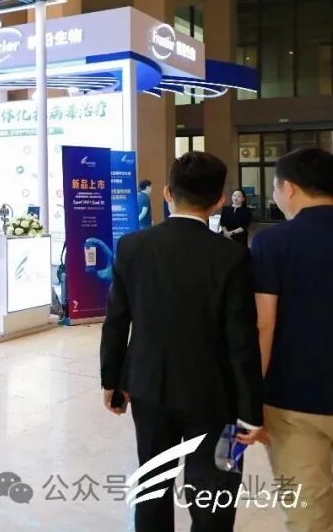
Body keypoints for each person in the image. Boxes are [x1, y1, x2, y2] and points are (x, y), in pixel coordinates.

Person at [100, 152, 264, 532]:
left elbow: (117, 320)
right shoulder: (232, 256)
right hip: (216, 394)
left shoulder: (132, 247)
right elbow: (242, 338)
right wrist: (251, 410)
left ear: (167, 193)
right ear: (219, 200)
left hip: (148, 385)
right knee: (214, 491)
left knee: (153, 482)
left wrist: (112, 380)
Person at [252, 147, 333, 531]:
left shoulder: (272, 243)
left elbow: (263, 325)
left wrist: (251, 398)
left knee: (308, 516)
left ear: (289, 188)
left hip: (294, 400)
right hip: (297, 399)